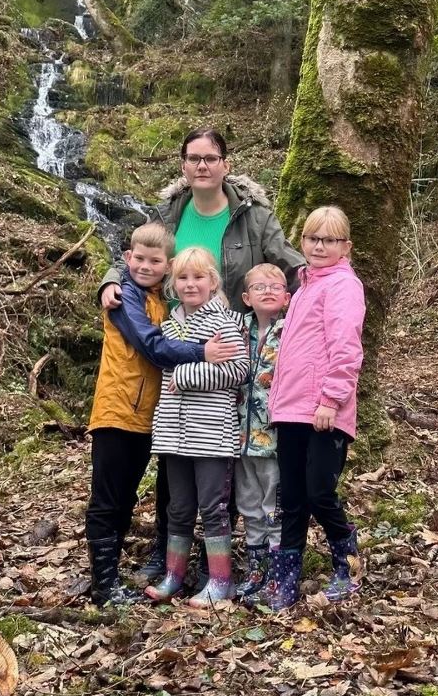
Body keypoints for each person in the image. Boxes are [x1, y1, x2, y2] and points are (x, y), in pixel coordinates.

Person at [99, 127, 305, 582]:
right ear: (184, 166)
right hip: (176, 340)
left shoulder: (252, 216)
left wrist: (314, 279)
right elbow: (141, 250)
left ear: (226, 164)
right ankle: (166, 554)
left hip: (229, 338)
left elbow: (287, 260)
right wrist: (112, 279)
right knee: (173, 464)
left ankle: (224, 565)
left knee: (220, 465)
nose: (202, 166)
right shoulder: (172, 212)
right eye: (194, 158)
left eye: (211, 158)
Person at [84, 223, 238, 605]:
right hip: (119, 411)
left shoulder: (165, 304)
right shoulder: (125, 298)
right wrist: (201, 353)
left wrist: (186, 372)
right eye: (139, 259)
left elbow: (232, 367)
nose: (146, 266)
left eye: (156, 261)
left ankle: (183, 573)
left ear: (165, 266)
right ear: (127, 259)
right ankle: (105, 585)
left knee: (160, 500)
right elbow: (153, 347)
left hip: (158, 420)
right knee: (111, 498)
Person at [261, 206, 366, 610]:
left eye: (329, 240)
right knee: (292, 498)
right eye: (312, 238)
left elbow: (346, 348)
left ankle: (347, 561)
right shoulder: (304, 286)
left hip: (324, 411)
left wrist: (330, 400)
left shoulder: (343, 286)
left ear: (346, 246)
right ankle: (285, 579)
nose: (319, 246)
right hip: (290, 409)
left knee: (319, 491)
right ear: (301, 241)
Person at [144, 247, 249, 608]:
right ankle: (174, 575)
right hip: (173, 432)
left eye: (199, 277)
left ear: (212, 281)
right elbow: (160, 364)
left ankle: (220, 581)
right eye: (184, 278)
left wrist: (187, 374)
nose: (191, 284)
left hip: (212, 434)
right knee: (178, 507)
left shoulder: (225, 321)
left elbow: (238, 370)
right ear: (174, 283)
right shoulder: (170, 325)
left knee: (213, 507)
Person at [234, 263, 290, 598]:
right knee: (249, 505)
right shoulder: (236, 328)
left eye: (275, 286)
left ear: (286, 296)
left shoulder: (292, 329)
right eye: (259, 286)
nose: (267, 291)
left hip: (275, 439)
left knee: (275, 506)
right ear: (245, 296)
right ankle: (255, 572)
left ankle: (277, 574)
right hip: (239, 439)